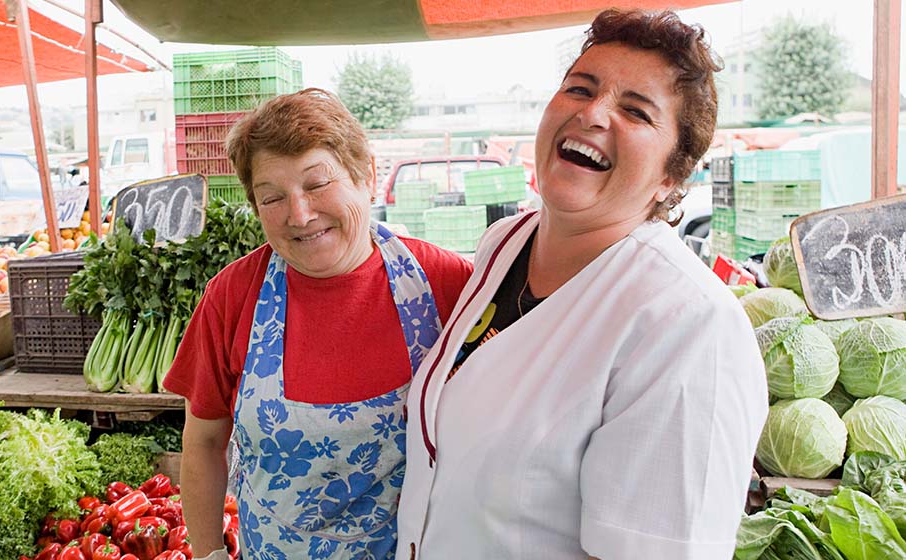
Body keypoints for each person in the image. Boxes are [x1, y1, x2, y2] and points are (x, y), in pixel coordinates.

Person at [395, 9, 768, 560]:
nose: (593, 113)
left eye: (635, 111)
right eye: (580, 88)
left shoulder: (688, 326)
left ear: (670, 176)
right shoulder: (504, 243)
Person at [162, 88, 473, 560]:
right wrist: (209, 554)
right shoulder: (231, 296)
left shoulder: (446, 285)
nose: (300, 214)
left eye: (316, 183)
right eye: (272, 198)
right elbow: (204, 442)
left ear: (365, 175)